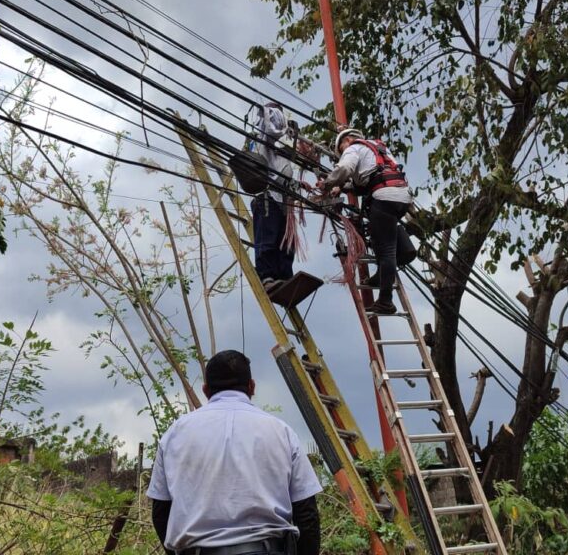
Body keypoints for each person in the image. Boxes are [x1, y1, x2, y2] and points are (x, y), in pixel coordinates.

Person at [147, 349, 322, 555]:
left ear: (205, 390)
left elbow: (161, 512)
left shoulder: (175, 434)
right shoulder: (281, 432)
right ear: (252, 386)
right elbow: (307, 514)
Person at [317, 129, 416, 315]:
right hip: (402, 197)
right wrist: (343, 188)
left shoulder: (353, 148)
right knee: (379, 235)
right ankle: (381, 275)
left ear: (347, 140)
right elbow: (365, 182)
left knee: (386, 250)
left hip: (384, 197)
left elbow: (345, 169)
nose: (343, 152)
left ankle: (386, 301)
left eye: (341, 149)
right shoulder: (378, 148)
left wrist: (327, 183)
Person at [248, 103, 296, 292]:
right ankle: (267, 276)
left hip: (283, 197)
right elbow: (272, 123)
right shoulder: (264, 131)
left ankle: (285, 276)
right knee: (267, 237)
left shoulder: (280, 142)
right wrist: (275, 113)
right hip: (267, 196)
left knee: (286, 241)